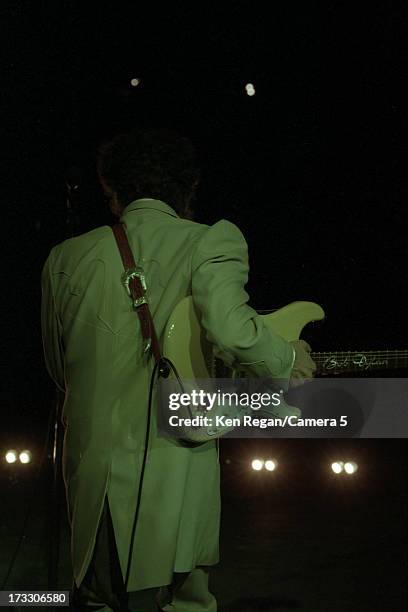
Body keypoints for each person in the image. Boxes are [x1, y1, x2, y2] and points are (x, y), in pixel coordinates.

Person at [41, 127, 316, 612]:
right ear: (189, 187)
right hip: (173, 462)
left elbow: (58, 369)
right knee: (182, 599)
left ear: (111, 190)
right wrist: (288, 359)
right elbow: (232, 332)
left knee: (98, 599)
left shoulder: (64, 258)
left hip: (90, 472)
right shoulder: (210, 240)